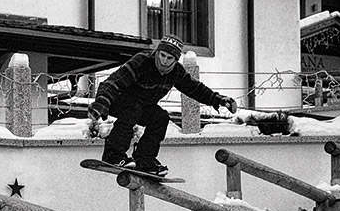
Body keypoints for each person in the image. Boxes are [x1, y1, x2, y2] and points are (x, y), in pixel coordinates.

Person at [87, 36, 236, 177]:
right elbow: (114, 81)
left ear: (175, 60)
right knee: (133, 109)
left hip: (142, 106)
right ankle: (112, 155)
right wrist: (102, 101)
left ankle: (145, 160)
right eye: (162, 55)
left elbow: (195, 89)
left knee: (160, 117)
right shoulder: (142, 61)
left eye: (169, 58)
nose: (164, 61)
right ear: (157, 52)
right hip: (115, 98)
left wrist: (218, 100)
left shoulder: (177, 72)